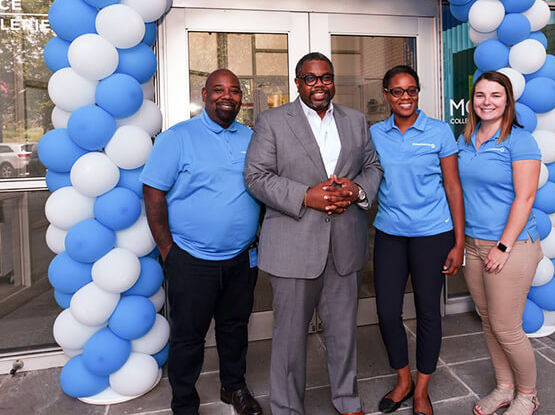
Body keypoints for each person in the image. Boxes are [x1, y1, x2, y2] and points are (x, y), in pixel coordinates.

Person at [244, 52, 383, 415]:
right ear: (297, 82)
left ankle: (347, 399)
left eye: (326, 78)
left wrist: (357, 191)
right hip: (294, 246)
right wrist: (306, 196)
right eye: (310, 78)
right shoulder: (272, 121)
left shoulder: (355, 121)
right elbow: (256, 177)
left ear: (333, 81)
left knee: (343, 334)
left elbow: (372, 166)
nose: (319, 85)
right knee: (289, 339)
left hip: (345, 246)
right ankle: (287, 408)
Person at [141, 69, 263, 415]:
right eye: (219, 90)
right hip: (191, 260)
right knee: (188, 338)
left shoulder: (252, 138)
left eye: (235, 91)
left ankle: (234, 387)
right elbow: (153, 193)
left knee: (235, 329)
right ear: (205, 93)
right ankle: (184, 403)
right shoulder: (178, 138)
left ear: (242, 97)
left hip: (241, 259)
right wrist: (168, 251)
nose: (228, 96)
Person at [370, 66, 465, 415]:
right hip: (390, 233)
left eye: (411, 90)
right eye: (397, 91)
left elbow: (453, 187)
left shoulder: (439, 131)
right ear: (386, 96)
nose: (405, 96)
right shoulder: (375, 133)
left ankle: (422, 389)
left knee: (428, 312)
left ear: (418, 93)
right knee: (386, 312)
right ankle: (403, 380)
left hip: (432, 234)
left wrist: (458, 242)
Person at [457, 71, 543, 415]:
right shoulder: (466, 138)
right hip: (474, 245)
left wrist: (503, 247)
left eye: (495, 95)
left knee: (507, 326)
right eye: (480, 95)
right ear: (472, 100)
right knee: (489, 320)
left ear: (507, 100)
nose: (487, 102)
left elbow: (525, 197)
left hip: (513, 245)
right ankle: (505, 387)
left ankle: (528, 394)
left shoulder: (520, 141)